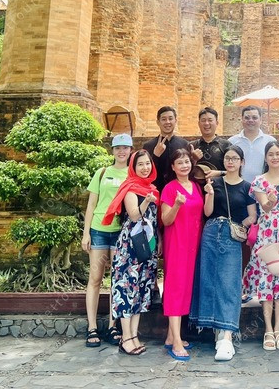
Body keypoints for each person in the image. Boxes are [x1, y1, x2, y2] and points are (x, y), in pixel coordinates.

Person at [190, 145, 257, 361]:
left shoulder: (247, 187)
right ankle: (216, 331)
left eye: (235, 158)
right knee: (209, 281)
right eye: (227, 158)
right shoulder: (214, 183)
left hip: (231, 235)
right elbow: (207, 212)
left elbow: (253, 215)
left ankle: (227, 336)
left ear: (242, 162)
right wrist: (209, 194)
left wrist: (241, 225)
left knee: (229, 283)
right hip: (211, 232)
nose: (230, 162)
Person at [243, 141, 279, 350]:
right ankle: (268, 329)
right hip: (266, 234)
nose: (275, 157)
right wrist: (270, 201)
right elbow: (265, 208)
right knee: (266, 281)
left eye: (278, 154)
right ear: (266, 158)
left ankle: (278, 329)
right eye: (271, 154)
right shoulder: (259, 181)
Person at [103, 149, 160, 356]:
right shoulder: (130, 188)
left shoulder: (152, 189)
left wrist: (158, 242)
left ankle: (134, 335)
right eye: (140, 164)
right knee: (127, 290)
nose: (145, 168)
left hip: (147, 247)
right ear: (133, 168)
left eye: (148, 164)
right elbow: (135, 216)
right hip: (130, 248)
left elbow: (154, 222)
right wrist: (147, 200)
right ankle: (125, 337)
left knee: (141, 292)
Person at [81, 133, 132, 348]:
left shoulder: (133, 174)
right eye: (118, 148)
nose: (121, 151)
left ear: (130, 150)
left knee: (116, 280)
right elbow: (91, 205)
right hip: (99, 230)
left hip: (120, 231)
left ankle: (113, 325)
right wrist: (86, 233)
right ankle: (92, 326)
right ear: (112, 150)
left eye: (125, 148)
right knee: (95, 278)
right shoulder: (102, 173)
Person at [160, 148, 204, 361]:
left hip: (193, 244)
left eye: (186, 161)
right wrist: (177, 204)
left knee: (186, 287)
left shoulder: (196, 186)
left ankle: (171, 336)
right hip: (176, 243)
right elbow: (166, 220)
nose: (184, 165)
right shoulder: (169, 189)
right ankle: (177, 341)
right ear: (173, 167)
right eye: (180, 163)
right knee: (175, 288)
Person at [143, 106, 191, 191]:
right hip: (156, 190)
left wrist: (194, 159)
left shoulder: (184, 144)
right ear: (158, 122)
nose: (167, 122)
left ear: (175, 121)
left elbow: (188, 170)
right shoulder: (148, 146)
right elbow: (145, 171)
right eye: (164, 119)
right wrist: (155, 156)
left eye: (170, 118)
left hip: (180, 190)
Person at [229, 105, 276, 182]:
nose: (250, 120)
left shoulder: (270, 141)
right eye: (247, 118)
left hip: (263, 185)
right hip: (238, 186)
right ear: (242, 119)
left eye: (254, 118)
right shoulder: (232, 142)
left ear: (260, 120)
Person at [191, 106, 232, 172]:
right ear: (198, 124)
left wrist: (219, 173)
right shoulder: (192, 146)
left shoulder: (226, 145)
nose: (206, 123)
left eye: (210, 120)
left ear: (217, 123)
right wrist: (193, 159)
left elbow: (234, 171)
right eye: (203, 120)